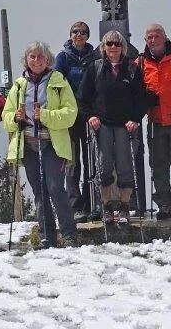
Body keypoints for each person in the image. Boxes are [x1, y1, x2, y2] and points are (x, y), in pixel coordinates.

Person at [3, 41, 79, 248]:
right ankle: (47, 235)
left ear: (48, 59)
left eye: (40, 57)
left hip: (52, 144)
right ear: (26, 60)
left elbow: (71, 113)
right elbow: (6, 115)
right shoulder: (19, 85)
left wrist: (44, 115)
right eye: (32, 57)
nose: (36, 60)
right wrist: (15, 118)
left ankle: (69, 234)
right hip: (28, 144)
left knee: (55, 188)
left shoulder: (59, 81)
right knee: (39, 191)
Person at [75, 29, 148, 223]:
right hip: (102, 126)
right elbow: (82, 97)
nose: (113, 47)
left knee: (125, 168)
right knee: (103, 167)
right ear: (103, 47)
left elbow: (141, 99)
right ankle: (106, 207)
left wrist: (136, 118)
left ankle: (124, 208)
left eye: (117, 43)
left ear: (123, 47)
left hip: (126, 125)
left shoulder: (133, 70)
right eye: (109, 44)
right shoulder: (94, 68)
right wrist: (90, 116)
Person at [136, 23, 171, 220]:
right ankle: (165, 205)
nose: (153, 40)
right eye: (149, 37)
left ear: (165, 37)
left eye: (157, 36)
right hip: (155, 121)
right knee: (158, 165)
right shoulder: (140, 62)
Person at [54, 20, 99, 220]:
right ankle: (74, 204)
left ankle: (91, 202)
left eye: (82, 32)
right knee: (72, 161)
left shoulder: (95, 56)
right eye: (75, 32)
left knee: (91, 160)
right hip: (70, 115)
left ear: (87, 35)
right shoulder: (63, 57)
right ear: (70, 35)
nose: (78, 35)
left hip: (89, 113)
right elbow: (57, 83)